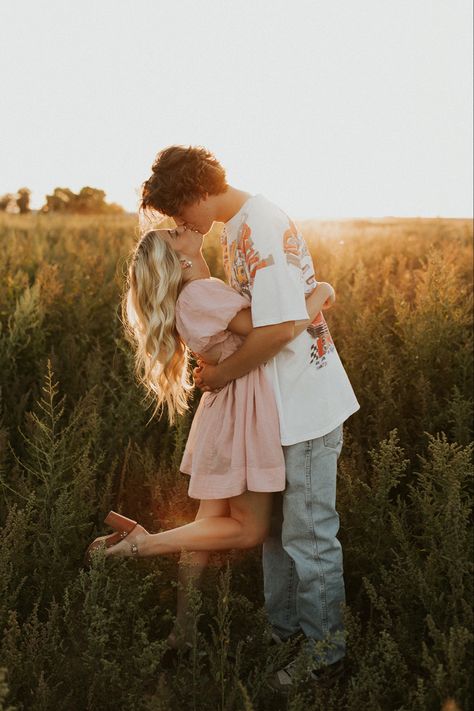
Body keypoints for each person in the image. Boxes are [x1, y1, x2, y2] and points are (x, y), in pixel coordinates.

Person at [138, 145, 361, 692]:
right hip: (271, 409)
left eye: (177, 212)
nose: (179, 224)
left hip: (303, 404)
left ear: (196, 194)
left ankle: (326, 656)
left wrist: (220, 375)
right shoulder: (236, 228)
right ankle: (286, 634)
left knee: (309, 535)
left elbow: (282, 328)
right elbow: (263, 317)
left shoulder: (260, 223)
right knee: (276, 535)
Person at [84, 224, 336, 663]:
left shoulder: (197, 294)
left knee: (203, 532)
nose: (181, 227)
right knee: (249, 528)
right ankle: (143, 543)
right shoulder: (200, 294)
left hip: (227, 413)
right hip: (243, 416)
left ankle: (182, 637)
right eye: (174, 233)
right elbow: (270, 331)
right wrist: (321, 294)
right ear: (179, 260)